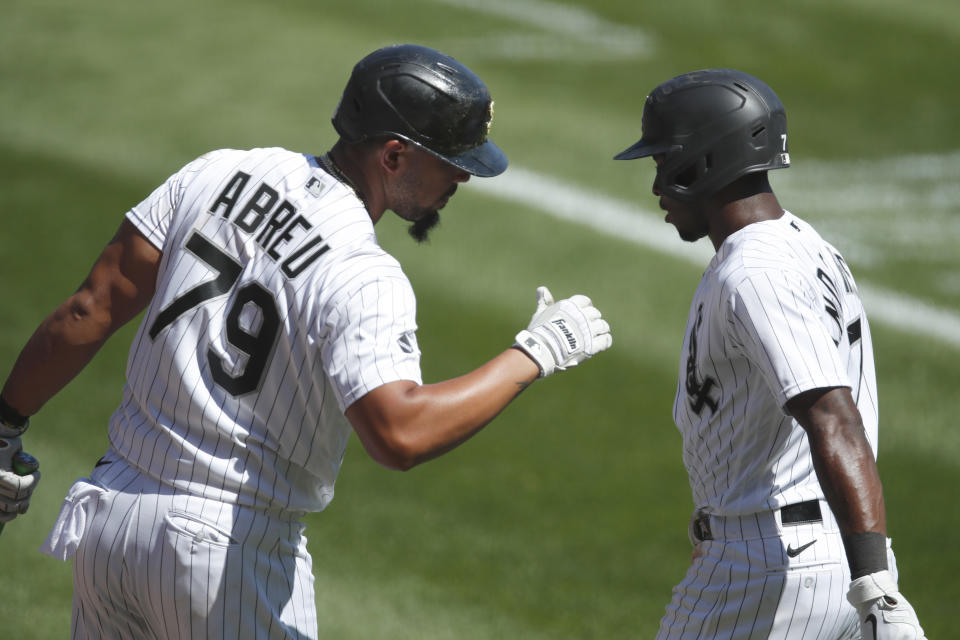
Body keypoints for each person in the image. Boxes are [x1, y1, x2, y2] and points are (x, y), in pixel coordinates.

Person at [0, 43, 612, 638]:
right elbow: (400, 434)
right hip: (223, 555)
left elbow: (92, 305)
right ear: (393, 156)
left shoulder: (219, 170)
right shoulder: (361, 270)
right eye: (451, 160)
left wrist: (4, 426)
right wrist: (536, 352)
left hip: (109, 520)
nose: (462, 177)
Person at [614, 69, 925, 639]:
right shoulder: (803, 243)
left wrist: (877, 588)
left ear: (701, 163)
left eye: (663, 163)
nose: (656, 185)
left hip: (774, 569)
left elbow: (834, 417)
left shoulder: (755, 272)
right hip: (815, 552)